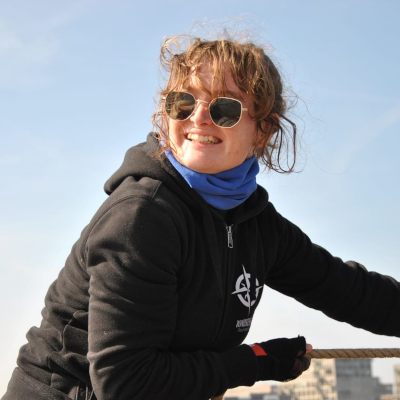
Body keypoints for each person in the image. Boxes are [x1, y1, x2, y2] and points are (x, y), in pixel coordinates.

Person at [2, 32, 400, 400]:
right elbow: (127, 382)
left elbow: (349, 291)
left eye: (225, 107)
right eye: (184, 102)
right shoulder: (142, 215)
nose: (199, 117)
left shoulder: (256, 224)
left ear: (263, 130)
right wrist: (254, 363)